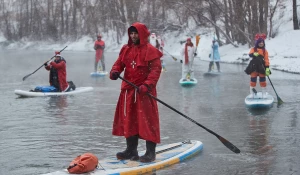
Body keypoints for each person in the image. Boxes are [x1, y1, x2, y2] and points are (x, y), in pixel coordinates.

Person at [109, 22, 163, 163]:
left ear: (142, 34)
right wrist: (115, 71)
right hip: (128, 92)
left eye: (135, 33)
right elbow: (119, 63)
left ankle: (150, 153)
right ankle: (131, 151)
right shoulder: (126, 49)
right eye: (131, 33)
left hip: (144, 92)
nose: (133, 36)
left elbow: (155, 71)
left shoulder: (150, 50)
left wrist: (147, 85)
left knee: (148, 121)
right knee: (129, 120)